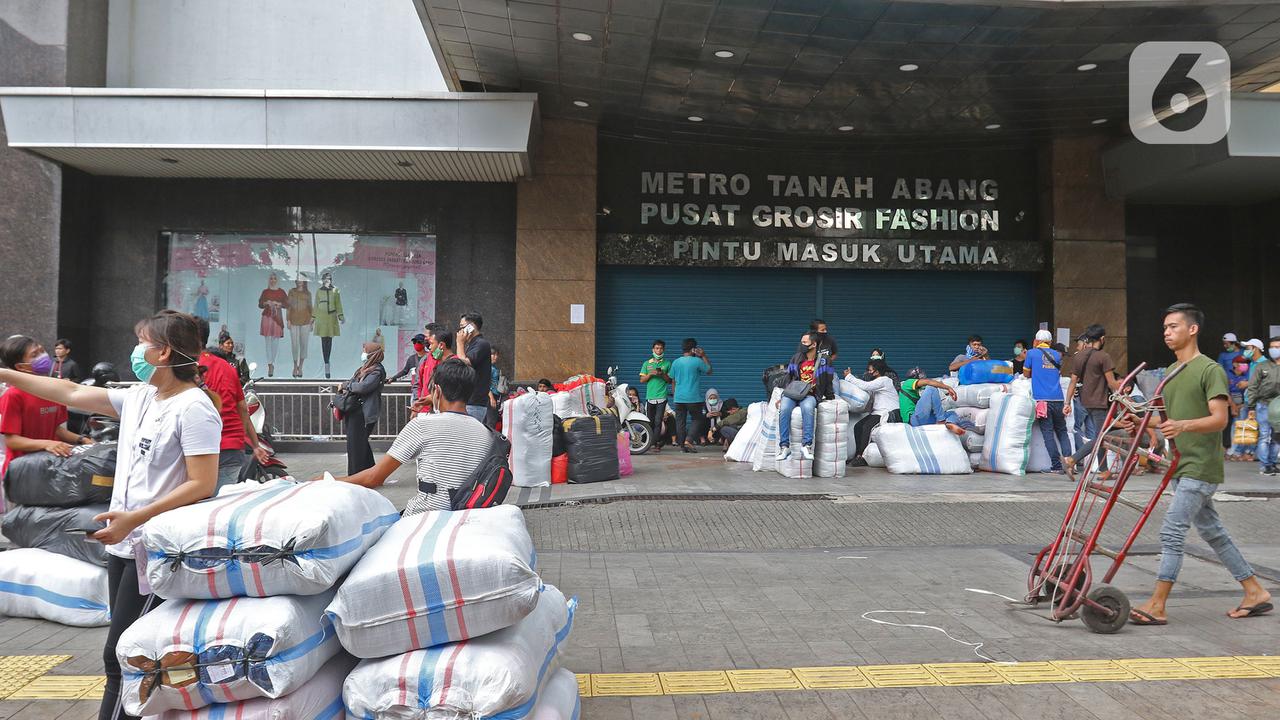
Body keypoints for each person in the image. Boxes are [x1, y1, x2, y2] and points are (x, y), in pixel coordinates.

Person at [1, 310, 221, 720]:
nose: (135, 350)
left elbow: (202, 483)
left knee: (123, 655)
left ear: (164, 353)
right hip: (124, 546)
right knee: (123, 653)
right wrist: (7, 375)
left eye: (142, 341)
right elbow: (66, 392)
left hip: (155, 550)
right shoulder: (139, 397)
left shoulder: (194, 408)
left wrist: (135, 519)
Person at [1128, 304, 1271, 625]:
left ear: (1192, 330)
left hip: (1201, 465)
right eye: (1164, 327)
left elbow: (1220, 419)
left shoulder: (1210, 370)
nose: (1166, 332)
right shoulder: (1170, 373)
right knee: (1213, 532)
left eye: (1174, 326)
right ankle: (1254, 591)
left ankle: (1158, 604)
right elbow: (1165, 420)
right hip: (1179, 464)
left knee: (1172, 531)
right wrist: (1139, 421)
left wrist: (1182, 426)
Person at [332, 358, 492, 516]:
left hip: (426, 513)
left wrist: (328, 481)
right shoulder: (485, 432)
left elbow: (374, 478)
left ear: (437, 391)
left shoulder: (422, 425)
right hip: (468, 513)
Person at [0, 335, 91, 478]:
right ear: (21, 367)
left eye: (42, 351)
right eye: (34, 355)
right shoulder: (13, 395)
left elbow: (56, 429)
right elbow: (12, 440)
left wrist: (82, 440)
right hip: (21, 472)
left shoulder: (54, 390)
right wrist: (47, 444)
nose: (42, 356)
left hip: (48, 467)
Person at [195, 319, 268, 491]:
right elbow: (242, 409)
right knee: (221, 504)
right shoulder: (227, 367)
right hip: (230, 448)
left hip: (201, 448)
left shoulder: (187, 368)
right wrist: (253, 444)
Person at [1063, 325, 1122, 478]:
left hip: (1085, 401)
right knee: (1101, 437)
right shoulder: (1103, 357)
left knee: (1099, 434)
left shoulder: (1079, 356)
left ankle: (1104, 471)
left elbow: (1073, 381)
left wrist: (1067, 403)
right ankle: (1072, 459)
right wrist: (1123, 389)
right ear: (1102, 339)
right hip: (1099, 402)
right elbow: (1111, 383)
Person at [1023, 329, 1071, 474]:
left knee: (1048, 433)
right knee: (1062, 431)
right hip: (1058, 398)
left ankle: (1056, 466)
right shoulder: (1057, 354)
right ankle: (1070, 463)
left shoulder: (1031, 353)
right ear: (1050, 342)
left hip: (1042, 400)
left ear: (1036, 341)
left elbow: (1026, 373)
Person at [338, 341, 385, 475]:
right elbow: (354, 381)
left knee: (356, 445)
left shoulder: (377, 371)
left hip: (364, 413)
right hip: (355, 411)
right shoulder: (364, 368)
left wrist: (346, 385)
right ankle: (371, 473)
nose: (363, 353)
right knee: (360, 443)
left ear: (372, 354)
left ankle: (355, 476)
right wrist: (348, 385)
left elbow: (364, 387)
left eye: (365, 350)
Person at [843, 359, 900, 466]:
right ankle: (857, 455)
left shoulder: (885, 380)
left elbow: (866, 386)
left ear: (877, 372)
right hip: (877, 412)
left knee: (866, 427)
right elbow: (869, 400)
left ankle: (862, 457)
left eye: (870, 370)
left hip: (886, 412)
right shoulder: (876, 383)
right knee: (858, 426)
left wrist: (849, 377)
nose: (868, 372)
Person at [776, 334, 819, 461]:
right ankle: (784, 446)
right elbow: (789, 378)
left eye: (805, 342)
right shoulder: (796, 358)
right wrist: (783, 395)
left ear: (814, 344)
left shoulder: (822, 360)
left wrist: (828, 397)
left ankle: (807, 445)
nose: (801, 345)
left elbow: (826, 380)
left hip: (810, 394)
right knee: (784, 409)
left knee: (808, 409)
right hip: (794, 393)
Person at [896, 367, 971, 434]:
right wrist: (948, 388)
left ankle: (949, 424)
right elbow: (929, 382)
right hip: (914, 420)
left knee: (951, 413)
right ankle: (941, 421)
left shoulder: (916, 393)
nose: (923, 378)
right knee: (931, 388)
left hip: (923, 420)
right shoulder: (907, 383)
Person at [669, 338, 712, 453]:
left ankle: (683, 446)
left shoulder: (676, 362)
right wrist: (703, 355)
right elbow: (709, 370)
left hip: (678, 398)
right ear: (693, 349)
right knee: (698, 418)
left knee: (680, 422)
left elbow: (672, 380)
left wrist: (675, 394)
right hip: (693, 398)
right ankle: (689, 440)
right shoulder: (697, 361)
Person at [1245, 336, 1280, 475]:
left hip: (1278, 408)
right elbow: (1252, 387)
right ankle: (1265, 465)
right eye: (1272, 347)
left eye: (1278, 347)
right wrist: (1251, 407)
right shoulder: (1262, 366)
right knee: (1265, 436)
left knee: (1277, 436)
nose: (1274, 350)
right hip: (1264, 405)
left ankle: (1272, 463)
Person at [454, 312, 492, 422]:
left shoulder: (481, 344)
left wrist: (459, 343)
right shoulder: (473, 344)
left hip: (475, 402)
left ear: (472, 327)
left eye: (462, 327)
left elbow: (464, 362)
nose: (459, 331)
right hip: (469, 400)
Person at [639, 339, 672, 453]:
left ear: (664, 349)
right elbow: (642, 380)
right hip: (650, 397)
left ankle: (656, 444)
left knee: (658, 421)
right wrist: (651, 374)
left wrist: (662, 374)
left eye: (661, 348)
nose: (659, 350)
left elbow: (669, 380)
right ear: (653, 349)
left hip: (662, 397)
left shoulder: (667, 363)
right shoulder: (646, 363)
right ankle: (649, 442)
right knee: (650, 421)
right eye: (657, 348)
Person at [314, 272, 344, 379]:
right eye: (326, 279)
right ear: (322, 280)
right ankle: (326, 362)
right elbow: (316, 305)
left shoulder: (335, 290)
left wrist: (341, 316)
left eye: (329, 279)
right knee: (323, 340)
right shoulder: (319, 291)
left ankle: (328, 361)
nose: (327, 281)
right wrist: (313, 318)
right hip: (321, 318)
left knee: (329, 340)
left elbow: (338, 304)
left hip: (331, 318)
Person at [257, 273, 288, 377]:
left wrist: (279, 304)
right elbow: (260, 304)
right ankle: (269, 364)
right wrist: (266, 303)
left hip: (277, 318)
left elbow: (287, 304)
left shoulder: (281, 292)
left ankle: (273, 362)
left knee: (275, 341)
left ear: (277, 280)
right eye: (271, 278)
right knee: (267, 341)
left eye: (275, 278)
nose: (273, 280)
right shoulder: (265, 292)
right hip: (267, 317)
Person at [286, 277, 313, 378]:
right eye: (297, 279)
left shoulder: (308, 293)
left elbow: (311, 307)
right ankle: (294, 366)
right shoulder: (291, 291)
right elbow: (288, 306)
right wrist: (288, 319)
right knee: (295, 345)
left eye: (301, 279)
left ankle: (300, 366)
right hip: (293, 321)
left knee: (304, 345)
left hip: (306, 321)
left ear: (304, 281)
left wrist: (312, 321)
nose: (299, 281)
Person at [808, 319, 838, 398]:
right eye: (822, 330)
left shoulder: (830, 340)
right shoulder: (808, 341)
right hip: (812, 373)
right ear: (815, 331)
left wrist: (828, 361)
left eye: (825, 329)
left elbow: (835, 354)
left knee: (835, 390)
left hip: (828, 372)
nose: (825, 332)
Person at [487, 346, 507, 429]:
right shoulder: (488, 368)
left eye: (497, 355)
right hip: (490, 397)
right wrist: (491, 398)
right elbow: (485, 383)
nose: (496, 357)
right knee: (490, 421)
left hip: (496, 396)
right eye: (493, 354)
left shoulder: (494, 368)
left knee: (493, 420)